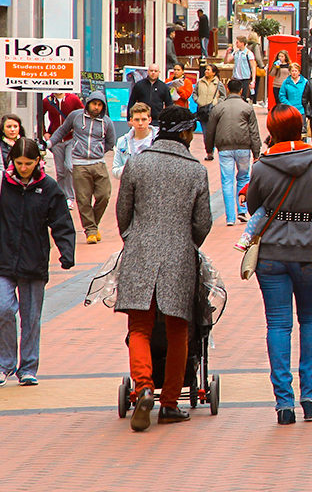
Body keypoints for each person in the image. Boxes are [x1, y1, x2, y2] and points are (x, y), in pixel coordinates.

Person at [116, 106, 213, 431]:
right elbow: (203, 224)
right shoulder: (195, 171)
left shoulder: (137, 162)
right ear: (186, 133)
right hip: (179, 256)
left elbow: (123, 213)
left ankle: (143, 386)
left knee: (140, 327)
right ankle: (169, 403)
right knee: (178, 331)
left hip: (140, 253)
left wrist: (134, 238)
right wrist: (186, 242)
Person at [246, 105, 312, 424]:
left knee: (278, 324)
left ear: (273, 130)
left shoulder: (262, 167)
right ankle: (310, 397)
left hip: (272, 252)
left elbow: (255, 208)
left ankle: (284, 403)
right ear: (300, 128)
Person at [0, 138, 75, 387]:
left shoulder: (48, 187)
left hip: (34, 261)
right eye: (18, 162)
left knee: (31, 316)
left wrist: (66, 252)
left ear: (38, 161)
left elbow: (61, 222)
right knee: (3, 309)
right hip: (2, 258)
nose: (23, 168)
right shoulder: (1, 183)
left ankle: (28, 368)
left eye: (28, 163)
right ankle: (3, 365)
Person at [46, 93, 114, 244]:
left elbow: (110, 142)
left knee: (104, 195)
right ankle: (90, 230)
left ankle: (93, 226)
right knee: (83, 199)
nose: (96, 107)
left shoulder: (106, 122)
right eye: (94, 103)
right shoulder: (75, 116)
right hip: (79, 164)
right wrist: (49, 143)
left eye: (100, 104)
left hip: (98, 163)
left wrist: (98, 150)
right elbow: (62, 131)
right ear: (88, 103)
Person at [206, 78, 263, 228]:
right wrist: (256, 152)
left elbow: (210, 130)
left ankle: (230, 217)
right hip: (244, 147)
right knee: (243, 178)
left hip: (224, 148)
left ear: (227, 88)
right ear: (241, 90)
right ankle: (242, 210)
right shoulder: (247, 108)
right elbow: (254, 131)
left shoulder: (218, 108)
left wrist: (209, 149)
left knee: (227, 181)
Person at [42, 90, 81, 204]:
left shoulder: (73, 99)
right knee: (60, 171)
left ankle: (70, 197)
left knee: (69, 166)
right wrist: (44, 133)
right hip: (56, 139)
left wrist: (78, 129)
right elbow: (39, 116)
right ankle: (61, 196)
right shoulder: (47, 101)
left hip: (71, 138)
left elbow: (83, 114)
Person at [112, 103, 157, 179]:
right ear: (131, 120)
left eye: (143, 119)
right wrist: (130, 167)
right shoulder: (122, 142)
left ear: (149, 120)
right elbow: (115, 171)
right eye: (136, 120)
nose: (140, 123)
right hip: (131, 186)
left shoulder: (158, 139)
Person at [194, 64, 226, 161]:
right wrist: (198, 100)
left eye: (208, 70)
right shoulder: (199, 82)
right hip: (202, 111)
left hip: (213, 111)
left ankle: (216, 149)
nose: (206, 71)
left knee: (214, 133)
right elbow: (194, 93)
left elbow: (223, 96)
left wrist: (216, 102)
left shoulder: (218, 84)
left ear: (214, 72)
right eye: (206, 69)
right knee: (206, 133)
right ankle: (209, 152)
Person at [225, 36, 258, 103]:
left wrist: (253, 80)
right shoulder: (236, 52)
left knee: (243, 96)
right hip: (236, 78)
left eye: (237, 42)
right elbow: (227, 61)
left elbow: (253, 67)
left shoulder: (248, 53)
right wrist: (227, 53)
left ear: (242, 43)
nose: (236, 44)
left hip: (244, 78)